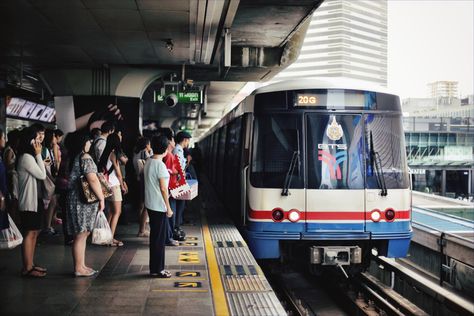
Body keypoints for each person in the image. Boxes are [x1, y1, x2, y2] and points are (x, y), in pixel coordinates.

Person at [65, 132, 105, 277]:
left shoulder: (72, 157)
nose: (90, 143)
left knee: (82, 233)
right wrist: (102, 198)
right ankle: (78, 268)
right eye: (88, 141)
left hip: (74, 198)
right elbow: (92, 179)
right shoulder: (85, 157)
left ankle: (81, 265)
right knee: (81, 234)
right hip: (83, 200)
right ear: (82, 142)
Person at [17, 127, 47, 278]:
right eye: (35, 138)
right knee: (29, 233)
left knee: (34, 232)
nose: (38, 141)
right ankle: (27, 267)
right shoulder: (26, 157)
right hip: (28, 202)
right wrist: (39, 155)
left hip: (35, 200)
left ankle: (31, 264)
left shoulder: (30, 157)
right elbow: (42, 175)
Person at [144, 135, 173, 278]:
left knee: (155, 238)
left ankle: (154, 268)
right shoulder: (160, 165)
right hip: (159, 206)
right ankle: (159, 269)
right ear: (166, 149)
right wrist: (168, 208)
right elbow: (163, 188)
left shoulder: (148, 161)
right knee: (159, 240)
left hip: (150, 204)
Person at [98, 133, 127, 246]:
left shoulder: (104, 153)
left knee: (110, 212)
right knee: (117, 212)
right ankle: (111, 239)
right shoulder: (114, 154)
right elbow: (119, 174)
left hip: (106, 186)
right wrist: (123, 185)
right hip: (114, 185)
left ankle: (106, 237)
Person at [161, 129, 179, 246]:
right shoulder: (168, 156)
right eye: (173, 140)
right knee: (170, 214)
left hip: (171, 188)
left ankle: (169, 236)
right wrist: (175, 171)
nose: (174, 142)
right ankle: (168, 238)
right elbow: (166, 172)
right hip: (169, 189)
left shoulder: (170, 155)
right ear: (169, 142)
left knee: (171, 214)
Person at [172, 131, 191, 236]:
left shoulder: (179, 150)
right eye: (188, 140)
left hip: (179, 180)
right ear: (185, 140)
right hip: (178, 181)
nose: (188, 143)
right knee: (180, 204)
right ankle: (176, 227)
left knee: (181, 203)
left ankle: (177, 225)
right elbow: (178, 168)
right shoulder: (178, 150)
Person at [132, 136, 152, 237]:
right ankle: (142, 230)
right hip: (144, 180)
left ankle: (142, 228)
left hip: (138, 180)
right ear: (147, 145)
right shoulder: (145, 153)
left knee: (142, 205)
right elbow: (149, 165)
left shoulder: (136, 153)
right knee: (145, 206)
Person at [41, 129, 58, 236]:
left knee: (52, 202)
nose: (55, 138)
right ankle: (46, 226)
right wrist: (52, 179)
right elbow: (47, 167)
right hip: (47, 179)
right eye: (54, 136)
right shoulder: (45, 150)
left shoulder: (48, 150)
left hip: (46, 178)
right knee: (52, 202)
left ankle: (47, 226)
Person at [4, 129, 20, 223]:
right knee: (13, 202)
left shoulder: (13, 149)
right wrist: (16, 163)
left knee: (15, 202)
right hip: (11, 178)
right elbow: (7, 165)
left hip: (14, 178)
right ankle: (12, 223)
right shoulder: (9, 150)